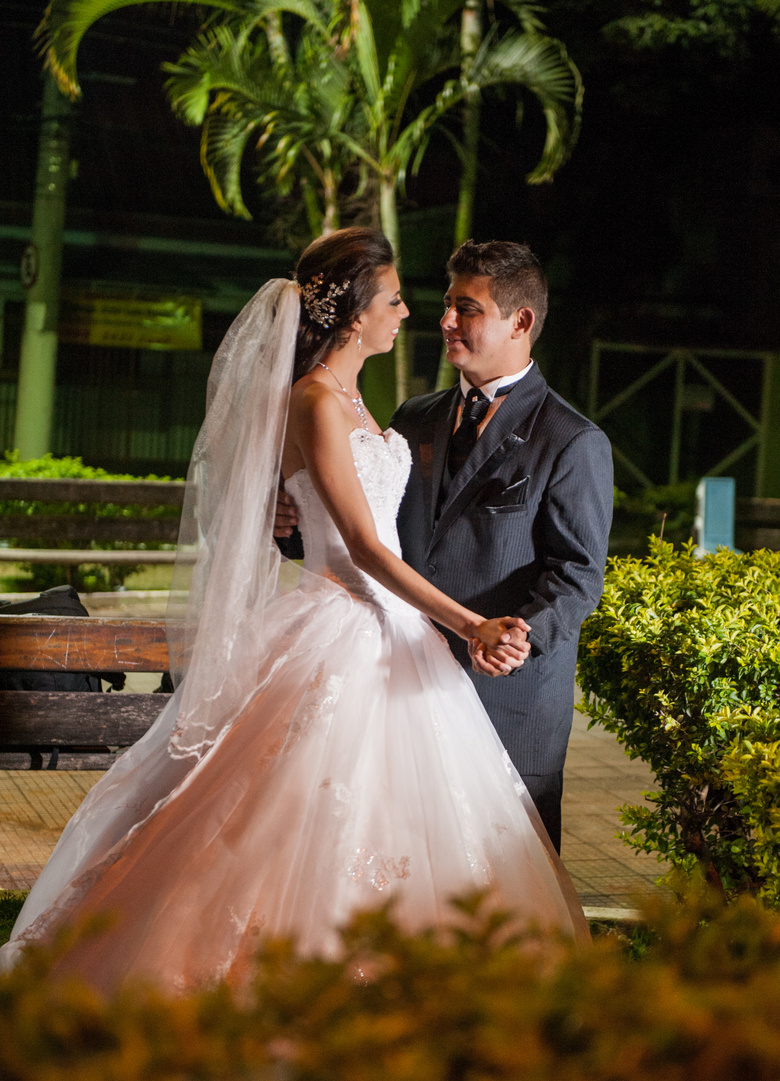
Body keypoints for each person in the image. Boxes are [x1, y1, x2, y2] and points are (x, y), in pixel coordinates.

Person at [0, 229, 587, 993]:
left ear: (521, 322)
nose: (414, 314)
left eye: (452, 305)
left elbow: (555, 567)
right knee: (279, 821)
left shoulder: (383, 407)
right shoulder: (325, 401)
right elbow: (366, 548)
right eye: (398, 299)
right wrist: (466, 623)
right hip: (349, 625)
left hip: (407, 641)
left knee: (415, 828)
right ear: (351, 316)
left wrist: (297, 510)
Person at [278, 240, 614, 852]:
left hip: (505, 693)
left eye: (468, 309)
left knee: (505, 883)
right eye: (446, 305)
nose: (446, 322)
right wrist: (292, 521)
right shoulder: (414, 416)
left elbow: (577, 575)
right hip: (392, 680)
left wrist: (516, 638)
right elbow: (366, 528)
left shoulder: (571, 440)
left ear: (521, 322)